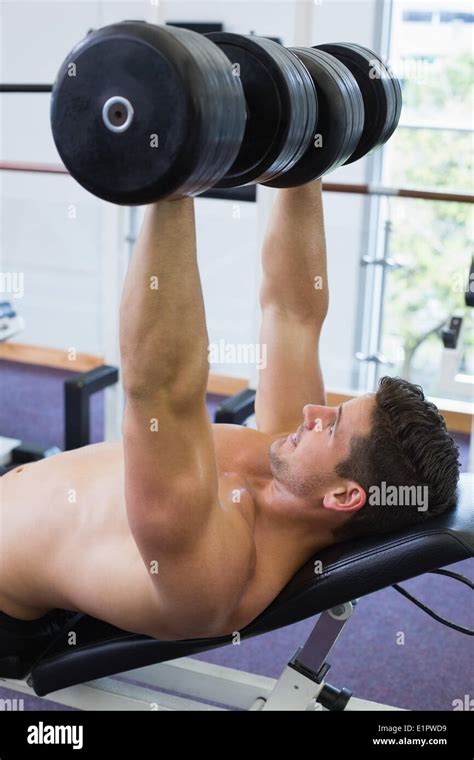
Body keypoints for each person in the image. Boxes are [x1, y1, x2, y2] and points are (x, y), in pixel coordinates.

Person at [0, 181, 460, 665]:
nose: (313, 412)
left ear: (344, 496)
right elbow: (291, 313)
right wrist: (304, 163)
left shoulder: (217, 575)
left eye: (332, 424)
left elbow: (158, 391)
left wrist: (172, 181)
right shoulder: (294, 469)